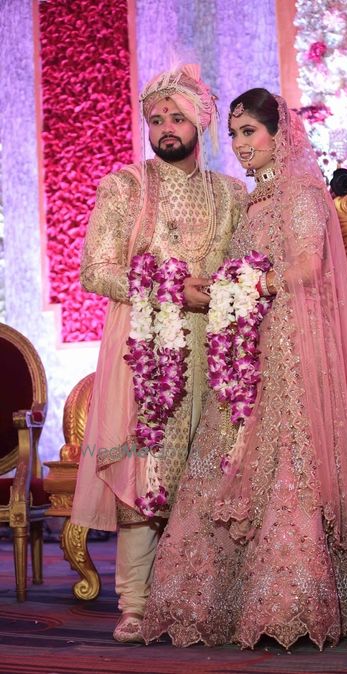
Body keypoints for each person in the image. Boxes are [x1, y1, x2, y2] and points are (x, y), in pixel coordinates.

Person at [141, 89, 347, 650]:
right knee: (230, 461)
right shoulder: (255, 202)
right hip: (248, 350)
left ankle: (292, 601)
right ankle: (219, 602)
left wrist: (249, 285)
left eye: (249, 131)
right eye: (234, 134)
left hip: (291, 351)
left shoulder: (301, 192)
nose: (239, 144)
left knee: (287, 463)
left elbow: (306, 267)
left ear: (280, 135)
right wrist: (225, 290)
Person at [70, 64, 246, 643]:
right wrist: (170, 288)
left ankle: (199, 600)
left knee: (209, 472)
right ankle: (136, 605)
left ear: (202, 124)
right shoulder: (125, 186)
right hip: (143, 349)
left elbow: (245, 270)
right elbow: (96, 270)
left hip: (217, 349)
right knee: (146, 470)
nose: (166, 128)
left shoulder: (231, 194)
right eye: (156, 119)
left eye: (177, 118)